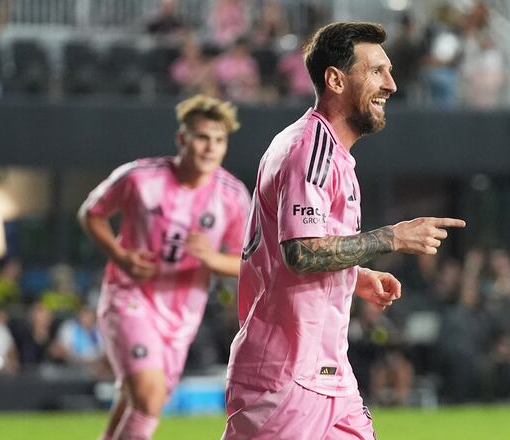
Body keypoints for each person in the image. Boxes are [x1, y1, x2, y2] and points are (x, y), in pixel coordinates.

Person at [223, 22, 465, 439]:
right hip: (285, 376)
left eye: (389, 71)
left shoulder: (332, 153)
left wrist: (354, 276)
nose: (390, 84)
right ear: (335, 79)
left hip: (329, 374)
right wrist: (392, 237)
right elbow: (300, 252)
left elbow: (303, 247)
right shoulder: (310, 148)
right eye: (375, 71)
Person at [78, 94, 250, 440]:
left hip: (182, 315)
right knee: (149, 397)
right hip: (130, 298)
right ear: (182, 139)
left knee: (137, 399)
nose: (209, 148)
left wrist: (212, 259)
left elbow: (250, 263)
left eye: (219, 140)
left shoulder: (232, 196)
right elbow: (91, 213)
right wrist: (121, 255)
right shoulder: (140, 177)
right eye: (202, 137)